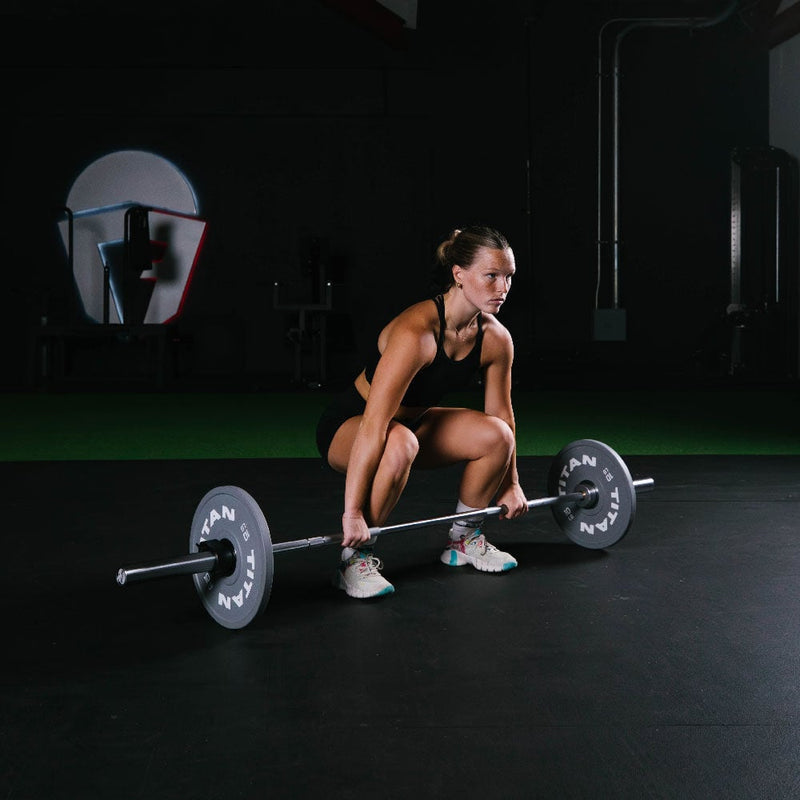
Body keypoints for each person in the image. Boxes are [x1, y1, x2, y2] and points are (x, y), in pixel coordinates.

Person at [315, 225, 528, 599]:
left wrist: (510, 483)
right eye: (491, 276)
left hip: (410, 426)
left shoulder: (495, 339)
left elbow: (502, 413)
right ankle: (353, 560)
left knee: (498, 435)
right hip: (350, 427)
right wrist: (351, 513)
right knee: (399, 443)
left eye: (508, 276)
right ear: (458, 275)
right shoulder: (416, 333)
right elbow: (373, 425)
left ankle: (464, 539)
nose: (502, 288)